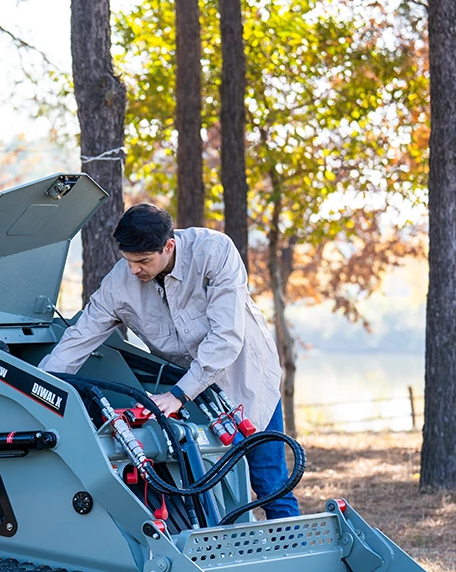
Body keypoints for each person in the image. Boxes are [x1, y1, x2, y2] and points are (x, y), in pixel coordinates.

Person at [39, 203, 300, 520]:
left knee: (269, 483)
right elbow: (80, 338)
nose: (134, 270)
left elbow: (226, 337)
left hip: (246, 380)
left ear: (169, 246)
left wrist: (177, 394)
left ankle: (294, 552)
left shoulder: (214, 252)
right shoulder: (120, 283)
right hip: (192, 396)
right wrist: (39, 389)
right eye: (128, 260)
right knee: (206, 495)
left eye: (143, 261)